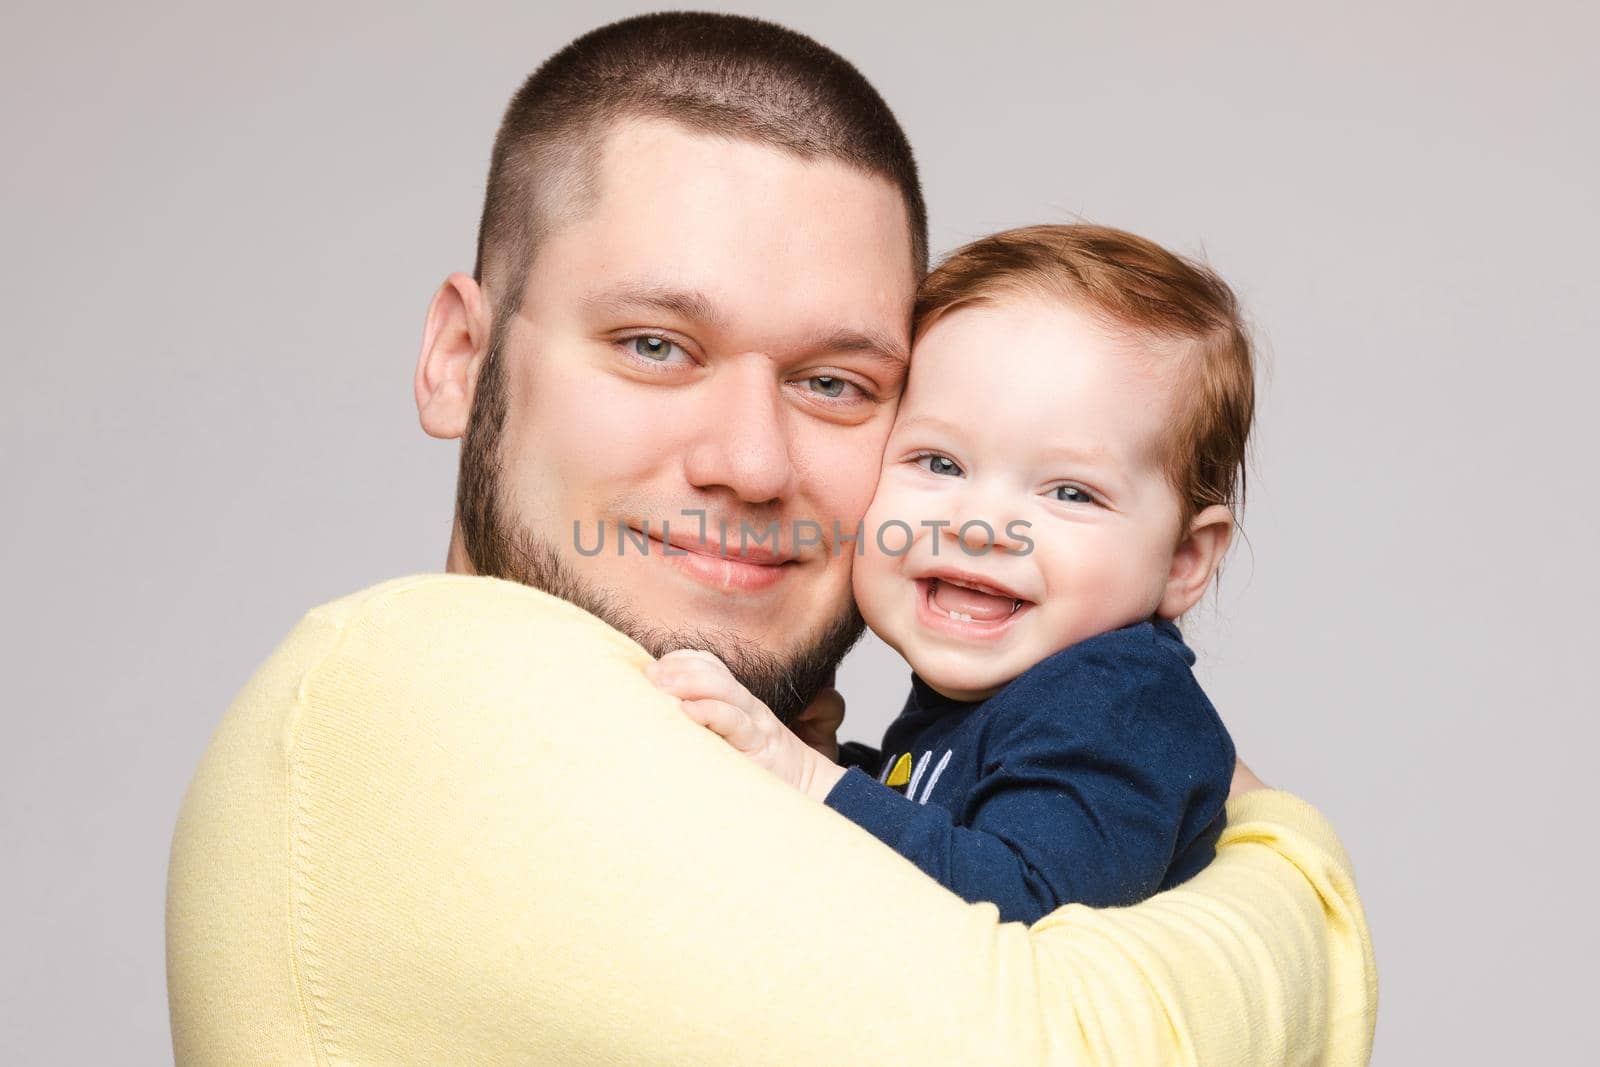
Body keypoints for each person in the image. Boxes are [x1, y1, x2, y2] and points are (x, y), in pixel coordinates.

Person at [165, 12, 1378, 1064]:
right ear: (458, 358)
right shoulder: (418, 685)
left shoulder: (828, 771)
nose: (748, 462)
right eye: (654, 344)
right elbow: (1055, 1043)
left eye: (837, 382)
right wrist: (1290, 860)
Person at [649, 223, 1248, 924]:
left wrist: (808, 777)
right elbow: (954, 831)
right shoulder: (1015, 693)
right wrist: (835, 762)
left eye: (1070, 492)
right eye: (940, 463)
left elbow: (1026, 908)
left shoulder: (1118, 707)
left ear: (1184, 560)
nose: (979, 524)